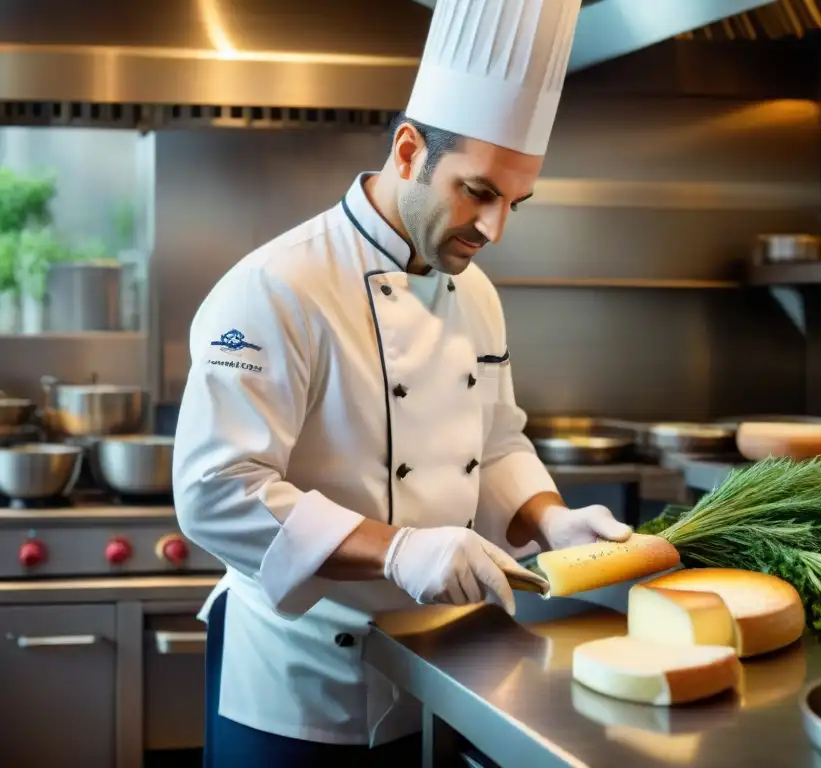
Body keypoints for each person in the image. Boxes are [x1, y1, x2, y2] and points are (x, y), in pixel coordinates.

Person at [172, 0, 633, 764]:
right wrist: (396, 552)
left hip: (438, 672)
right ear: (410, 150)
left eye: (515, 203)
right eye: (478, 192)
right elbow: (215, 490)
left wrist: (549, 518)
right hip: (299, 685)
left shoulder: (476, 292)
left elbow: (496, 440)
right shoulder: (276, 288)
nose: (493, 231)